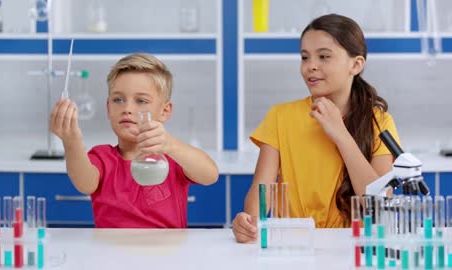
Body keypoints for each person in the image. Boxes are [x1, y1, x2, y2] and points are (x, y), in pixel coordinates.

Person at [232, 14, 400, 243]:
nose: (311, 66)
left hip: (352, 245)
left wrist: (341, 135)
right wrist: (247, 222)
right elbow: (261, 195)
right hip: (292, 244)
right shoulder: (280, 117)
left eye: (323, 57)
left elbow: (380, 206)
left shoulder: (379, 121)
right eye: (304, 57)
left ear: (356, 64)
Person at [50, 53, 219, 228]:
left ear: (165, 111)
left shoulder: (173, 157)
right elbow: (85, 184)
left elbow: (210, 175)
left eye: (141, 101)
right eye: (119, 99)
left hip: (166, 253)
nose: (127, 108)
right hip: (111, 253)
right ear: (109, 108)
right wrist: (72, 141)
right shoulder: (102, 157)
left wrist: (170, 145)